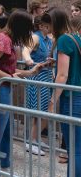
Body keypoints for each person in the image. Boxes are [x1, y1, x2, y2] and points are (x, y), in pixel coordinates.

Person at [0, 10, 43, 170]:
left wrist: (31, 72)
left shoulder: (5, 38)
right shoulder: (4, 39)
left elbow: (8, 69)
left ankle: (2, 164)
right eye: (29, 27)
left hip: (1, 87)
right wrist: (9, 78)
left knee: (5, 130)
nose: (31, 30)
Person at [48, 9, 81, 176]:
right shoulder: (76, 37)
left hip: (72, 98)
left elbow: (62, 75)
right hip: (78, 94)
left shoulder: (63, 40)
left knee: (74, 149)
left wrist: (52, 101)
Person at [22, 15, 54, 156]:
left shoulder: (49, 39)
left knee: (45, 111)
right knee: (38, 112)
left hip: (47, 77)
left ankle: (36, 138)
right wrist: (28, 60)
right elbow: (25, 49)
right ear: (42, 26)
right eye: (50, 24)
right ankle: (31, 141)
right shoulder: (35, 37)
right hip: (37, 77)